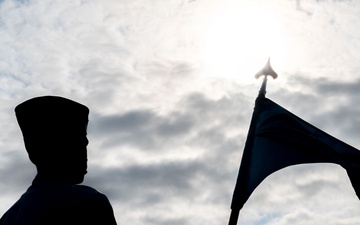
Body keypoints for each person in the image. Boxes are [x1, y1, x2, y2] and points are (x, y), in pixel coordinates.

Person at [0, 96, 117, 225]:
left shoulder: (8, 217)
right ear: (58, 146)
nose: (85, 153)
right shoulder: (88, 201)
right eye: (79, 143)